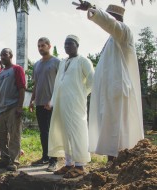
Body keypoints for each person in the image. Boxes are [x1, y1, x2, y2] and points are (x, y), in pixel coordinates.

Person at [76, 1, 144, 162]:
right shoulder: (112, 40)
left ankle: (119, 164)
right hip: (109, 92)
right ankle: (111, 164)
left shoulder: (124, 32)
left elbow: (110, 23)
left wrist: (93, 10)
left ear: (115, 17)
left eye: (109, 16)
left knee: (118, 129)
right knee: (109, 127)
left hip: (118, 90)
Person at [47, 35, 94, 178]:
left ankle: (80, 166)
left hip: (75, 103)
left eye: (70, 44)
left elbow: (92, 79)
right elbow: (57, 83)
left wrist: (81, 93)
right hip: (61, 103)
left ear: (77, 45)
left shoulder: (83, 61)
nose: (67, 46)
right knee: (65, 132)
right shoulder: (63, 62)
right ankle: (69, 164)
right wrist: (53, 101)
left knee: (77, 131)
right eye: (65, 44)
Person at [0, 48, 26, 171]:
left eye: (5, 54)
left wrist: (20, 106)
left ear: (11, 55)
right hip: (1, 109)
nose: (2, 57)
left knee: (14, 135)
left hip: (13, 107)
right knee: (0, 136)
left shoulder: (17, 69)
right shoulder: (0, 73)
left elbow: (21, 88)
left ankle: (14, 161)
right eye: (1, 55)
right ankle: (5, 158)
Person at [29, 37, 60, 172]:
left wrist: (52, 100)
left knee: (52, 132)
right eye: (39, 46)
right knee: (43, 132)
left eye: (43, 45)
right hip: (40, 103)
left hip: (52, 104)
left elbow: (60, 84)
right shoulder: (36, 64)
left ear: (49, 46)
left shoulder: (57, 62)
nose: (41, 48)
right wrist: (32, 100)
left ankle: (54, 161)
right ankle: (45, 157)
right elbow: (36, 84)